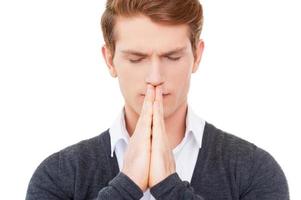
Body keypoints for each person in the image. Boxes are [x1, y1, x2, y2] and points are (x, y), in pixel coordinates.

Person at [26, 0, 289, 199]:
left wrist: (169, 186)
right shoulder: (58, 176)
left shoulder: (254, 171)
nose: (154, 76)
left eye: (172, 57)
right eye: (136, 59)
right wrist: (127, 185)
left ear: (197, 57)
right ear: (110, 60)